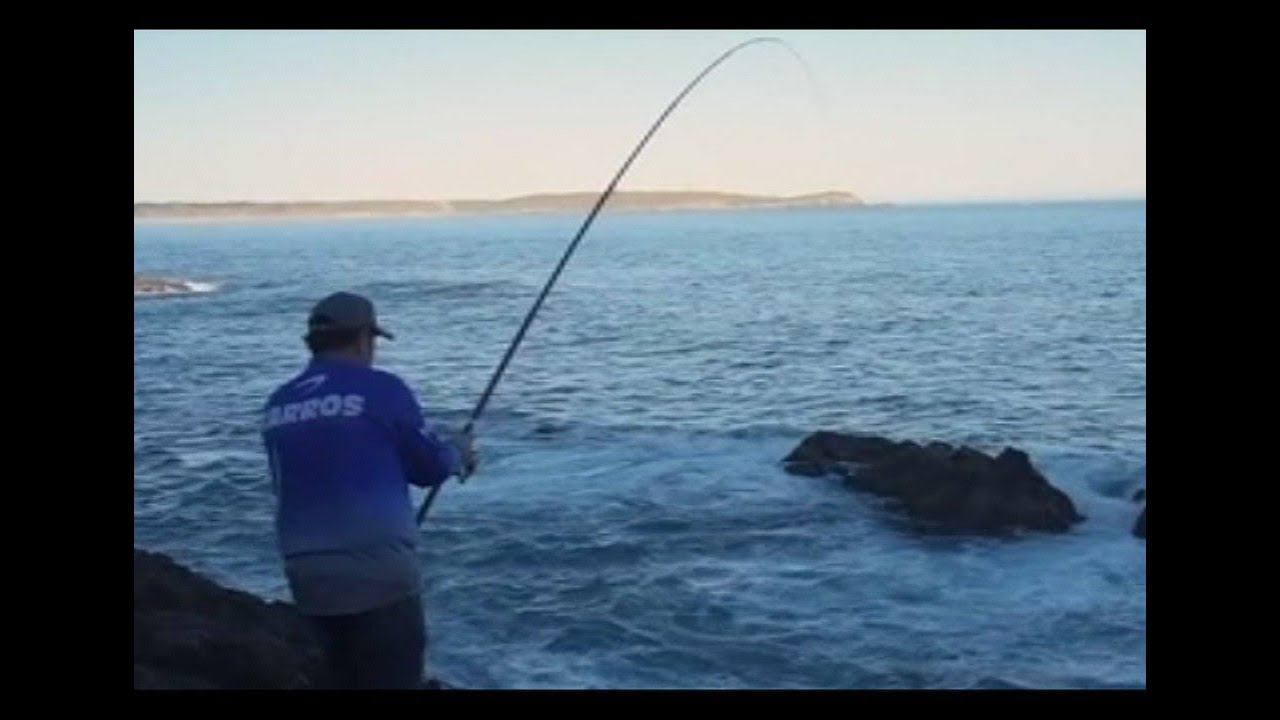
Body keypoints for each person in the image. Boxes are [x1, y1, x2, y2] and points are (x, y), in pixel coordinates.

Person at [260, 291, 475, 689]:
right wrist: (458, 451)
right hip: (377, 573)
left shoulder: (279, 403)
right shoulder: (383, 389)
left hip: (307, 577)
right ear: (362, 338)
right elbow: (428, 467)